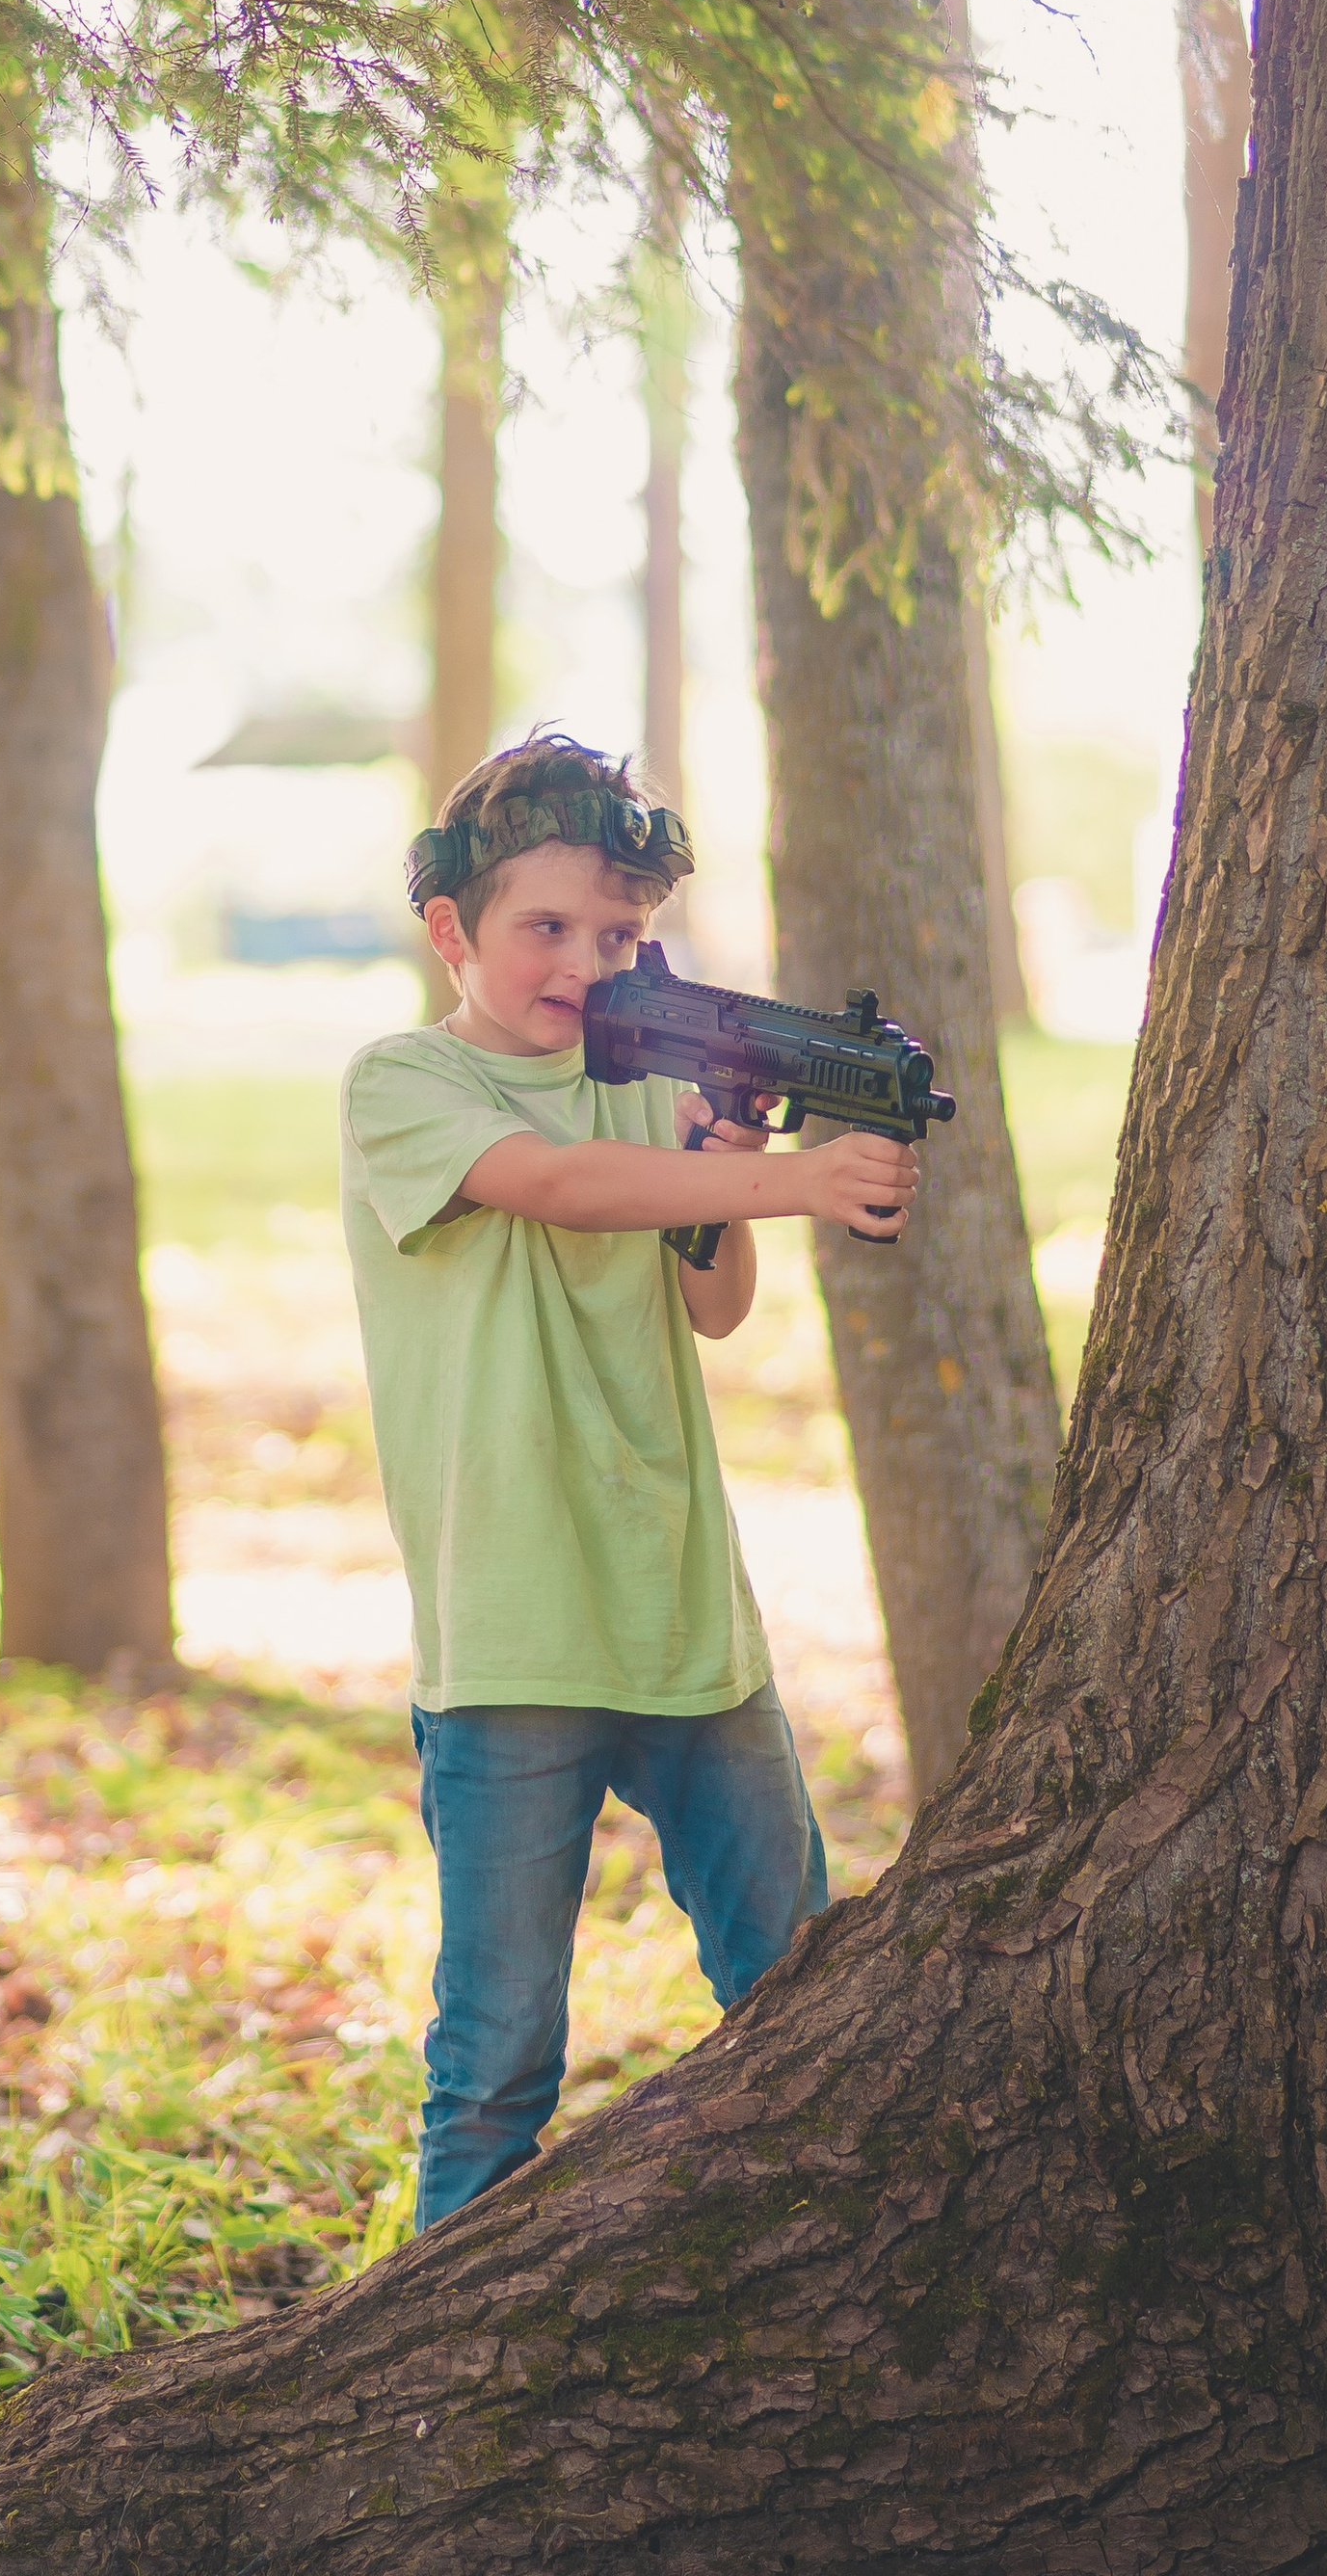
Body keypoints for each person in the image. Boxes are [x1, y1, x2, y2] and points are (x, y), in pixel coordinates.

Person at [339, 727, 920, 2229]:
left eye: (621, 935)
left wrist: (725, 1142)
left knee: (799, 1984)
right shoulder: (406, 1083)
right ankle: (440, 2356)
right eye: (547, 928)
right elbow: (555, 1189)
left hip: (680, 1616)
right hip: (515, 1630)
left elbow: (707, 1301)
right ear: (453, 930)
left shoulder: (643, 1091)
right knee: (497, 2055)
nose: (587, 964)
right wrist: (788, 1176)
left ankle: (828, 2259)